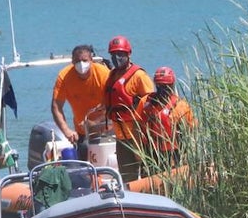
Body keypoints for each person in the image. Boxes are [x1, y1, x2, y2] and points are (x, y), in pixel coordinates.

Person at [104, 35, 155, 180]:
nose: (117, 58)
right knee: (127, 176)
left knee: (147, 174)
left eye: (120, 54)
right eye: (113, 54)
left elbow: (151, 103)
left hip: (138, 134)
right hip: (120, 136)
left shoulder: (139, 76)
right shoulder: (112, 76)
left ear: (128, 54)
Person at [50, 44, 110, 159]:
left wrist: (96, 122)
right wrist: (67, 131)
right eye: (77, 61)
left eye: (84, 60)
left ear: (91, 60)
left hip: (107, 128)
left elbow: (113, 102)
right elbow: (56, 106)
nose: (81, 64)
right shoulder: (64, 77)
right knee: (83, 160)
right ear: (72, 61)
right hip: (82, 132)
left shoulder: (103, 74)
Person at [134, 66, 195, 170]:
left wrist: (186, 154)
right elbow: (136, 127)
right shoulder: (145, 102)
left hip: (173, 152)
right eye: (160, 86)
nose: (163, 90)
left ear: (172, 85)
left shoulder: (181, 106)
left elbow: (191, 131)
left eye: (166, 86)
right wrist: (138, 151)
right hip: (150, 151)